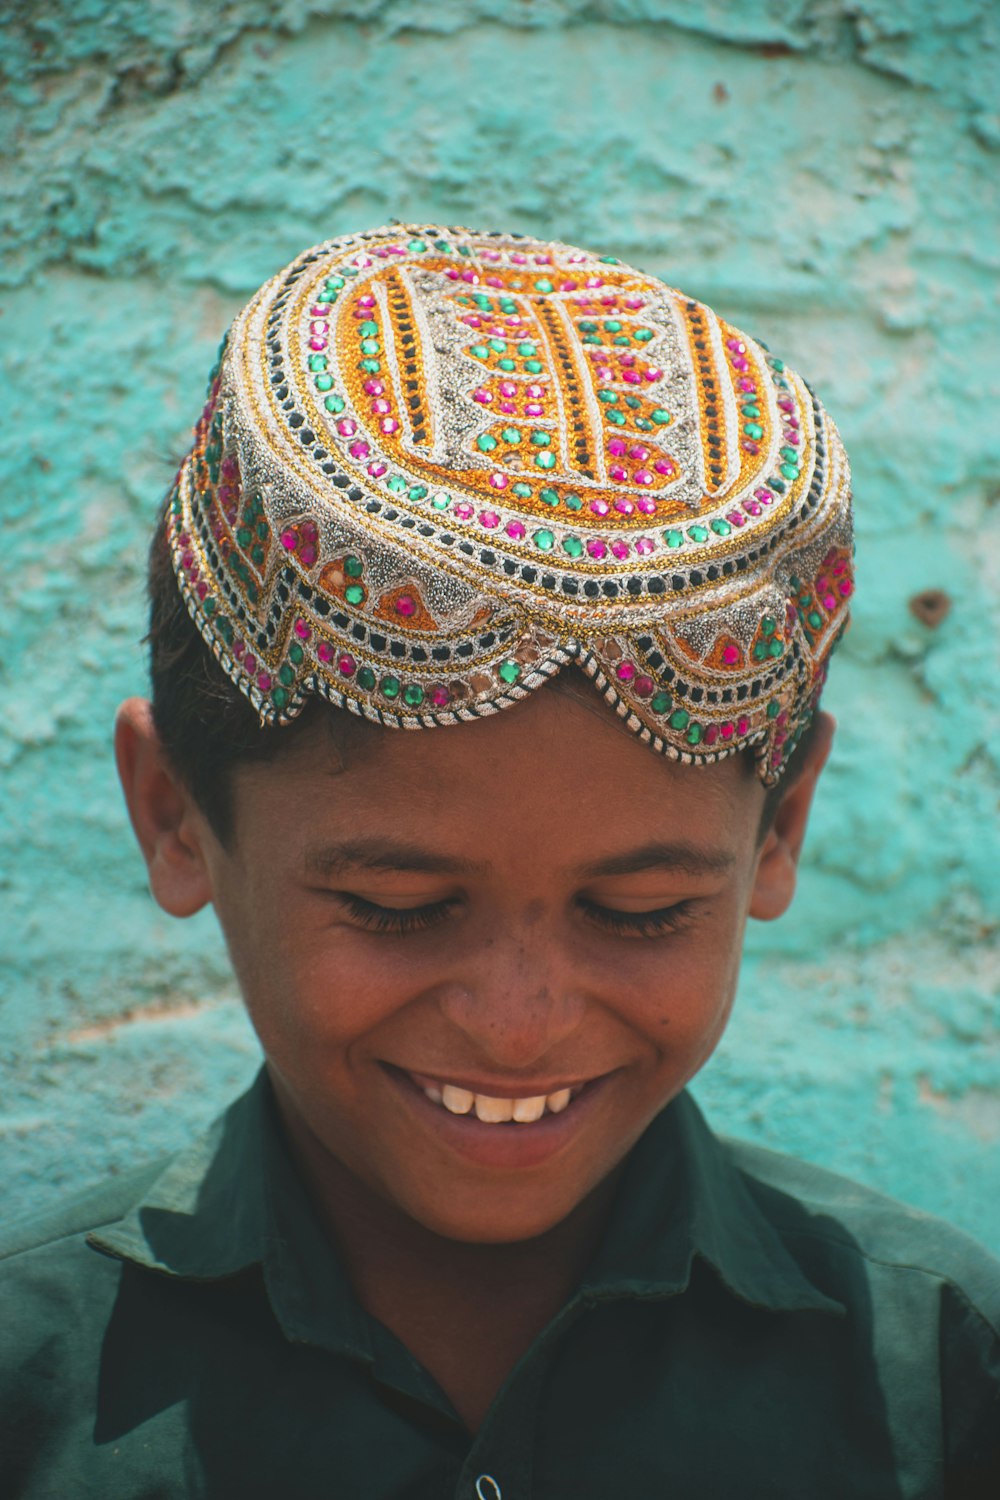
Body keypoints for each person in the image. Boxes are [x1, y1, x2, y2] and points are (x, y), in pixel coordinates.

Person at [2, 224, 997, 1498]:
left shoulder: (942, 1379)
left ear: (781, 827)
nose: (519, 1028)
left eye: (638, 912)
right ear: (175, 817)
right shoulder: (27, 1387)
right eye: (397, 906)